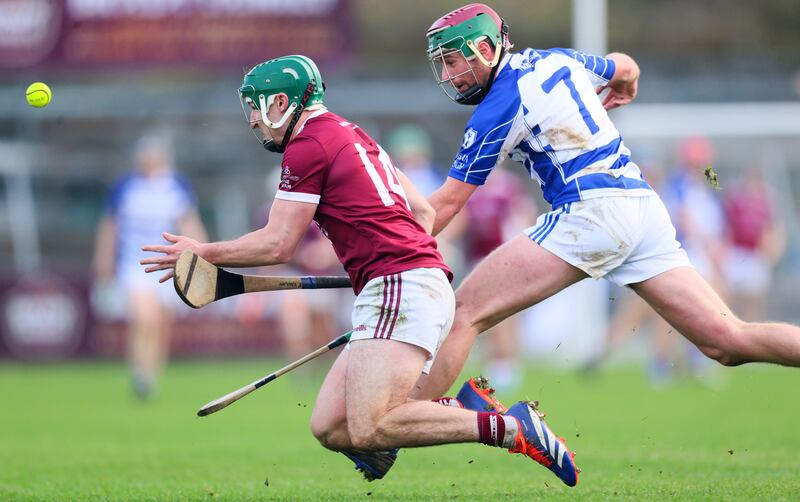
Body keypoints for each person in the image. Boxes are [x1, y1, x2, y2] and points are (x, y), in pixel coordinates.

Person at [139, 55, 579, 486]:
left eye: (256, 105)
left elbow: (279, 242)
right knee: (332, 426)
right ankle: (465, 409)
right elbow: (423, 213)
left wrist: (205, 250)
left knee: (369, 428)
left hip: (399, 284)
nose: (253, 119)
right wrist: (381, 268)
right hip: (402, 283)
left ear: (282, 102)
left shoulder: (307, 145)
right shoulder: (351, 134)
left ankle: (510, 428)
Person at [410, 3, 800, 402]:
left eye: (453, 62)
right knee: (728, 341)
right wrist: (625, 85)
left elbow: (447, 204)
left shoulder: (497, 108)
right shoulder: (558, 58)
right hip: (643, 209)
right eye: (442, 65)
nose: (447, 76)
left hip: (591, 211)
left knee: (463, 314)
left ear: (486, 49)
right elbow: (625, 66)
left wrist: (387, 249)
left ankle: (396, 426)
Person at [92, 130, 207, 399]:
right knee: (145, 317)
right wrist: (104, 260)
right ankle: (140, 373)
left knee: (161, 322)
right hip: (134, 261)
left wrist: (203, 252)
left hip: (168, 262)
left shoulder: (176, 185)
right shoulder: (125, 186)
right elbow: (110, 227)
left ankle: (151, 374)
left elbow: (189, 222)